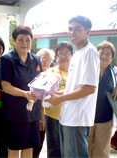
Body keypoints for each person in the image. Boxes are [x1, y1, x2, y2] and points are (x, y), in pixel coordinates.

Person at [46, 15, 100, 158]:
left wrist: (59, 99)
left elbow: (89, 88)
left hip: (77, 117)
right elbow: (76, 86)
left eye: (77, 29)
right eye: (70, 29)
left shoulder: (89, 52)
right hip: (68, 116)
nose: (72, 32)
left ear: (88, 31)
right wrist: (58, 93)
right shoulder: (77, 53)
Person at [0, 25, 42, 158]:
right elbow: (6, 86)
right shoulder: (6, 59)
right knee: (14, 146)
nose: (25, 43)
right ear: (14, 40)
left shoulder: (36, 59)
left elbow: (40, 82)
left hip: (32, 111)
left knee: (28, 146)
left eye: (28, 40)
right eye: (21, 39)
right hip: (14, 112)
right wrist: (24, 93)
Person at [87, 41, 117, 158]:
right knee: (85, 150)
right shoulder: (88, 69)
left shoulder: (116, 72)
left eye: (108, 54)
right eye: (102, 53)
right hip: (86, 118)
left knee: (101, 152)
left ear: (112, 58)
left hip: (105, 121)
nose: (104, 56)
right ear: (96, 54)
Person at [44, 42, 73, 158]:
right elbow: (44, 91)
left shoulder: (75, 73)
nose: (63, 57)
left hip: (71, 117)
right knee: (54, 149)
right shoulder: (50, 72)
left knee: (68, 149)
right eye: (60, 54)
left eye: (67, 53)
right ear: (56, 57)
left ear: (72, 56)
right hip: (52, 116)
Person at [33, 48, 54, 158]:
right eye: (43, 58)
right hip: (35, 117)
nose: (46, 61)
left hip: (48, 116)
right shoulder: (34, 74)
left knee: (38, 147)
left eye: (49, 59)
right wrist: (41, 118)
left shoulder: (52, 75)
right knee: (32, 147)